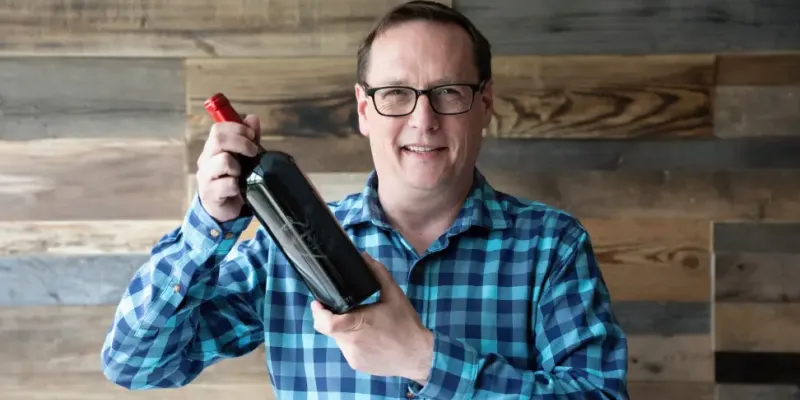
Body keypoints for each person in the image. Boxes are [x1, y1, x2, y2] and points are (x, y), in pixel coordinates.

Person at [100, 1, 629, 398]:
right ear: (363, 109)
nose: (423, 120)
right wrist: (208, 226)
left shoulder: (552, 246)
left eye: (448, 91)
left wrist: (424, 359)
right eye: (396, 94)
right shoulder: (287, 250)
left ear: (484, 102)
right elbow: (137, 364)